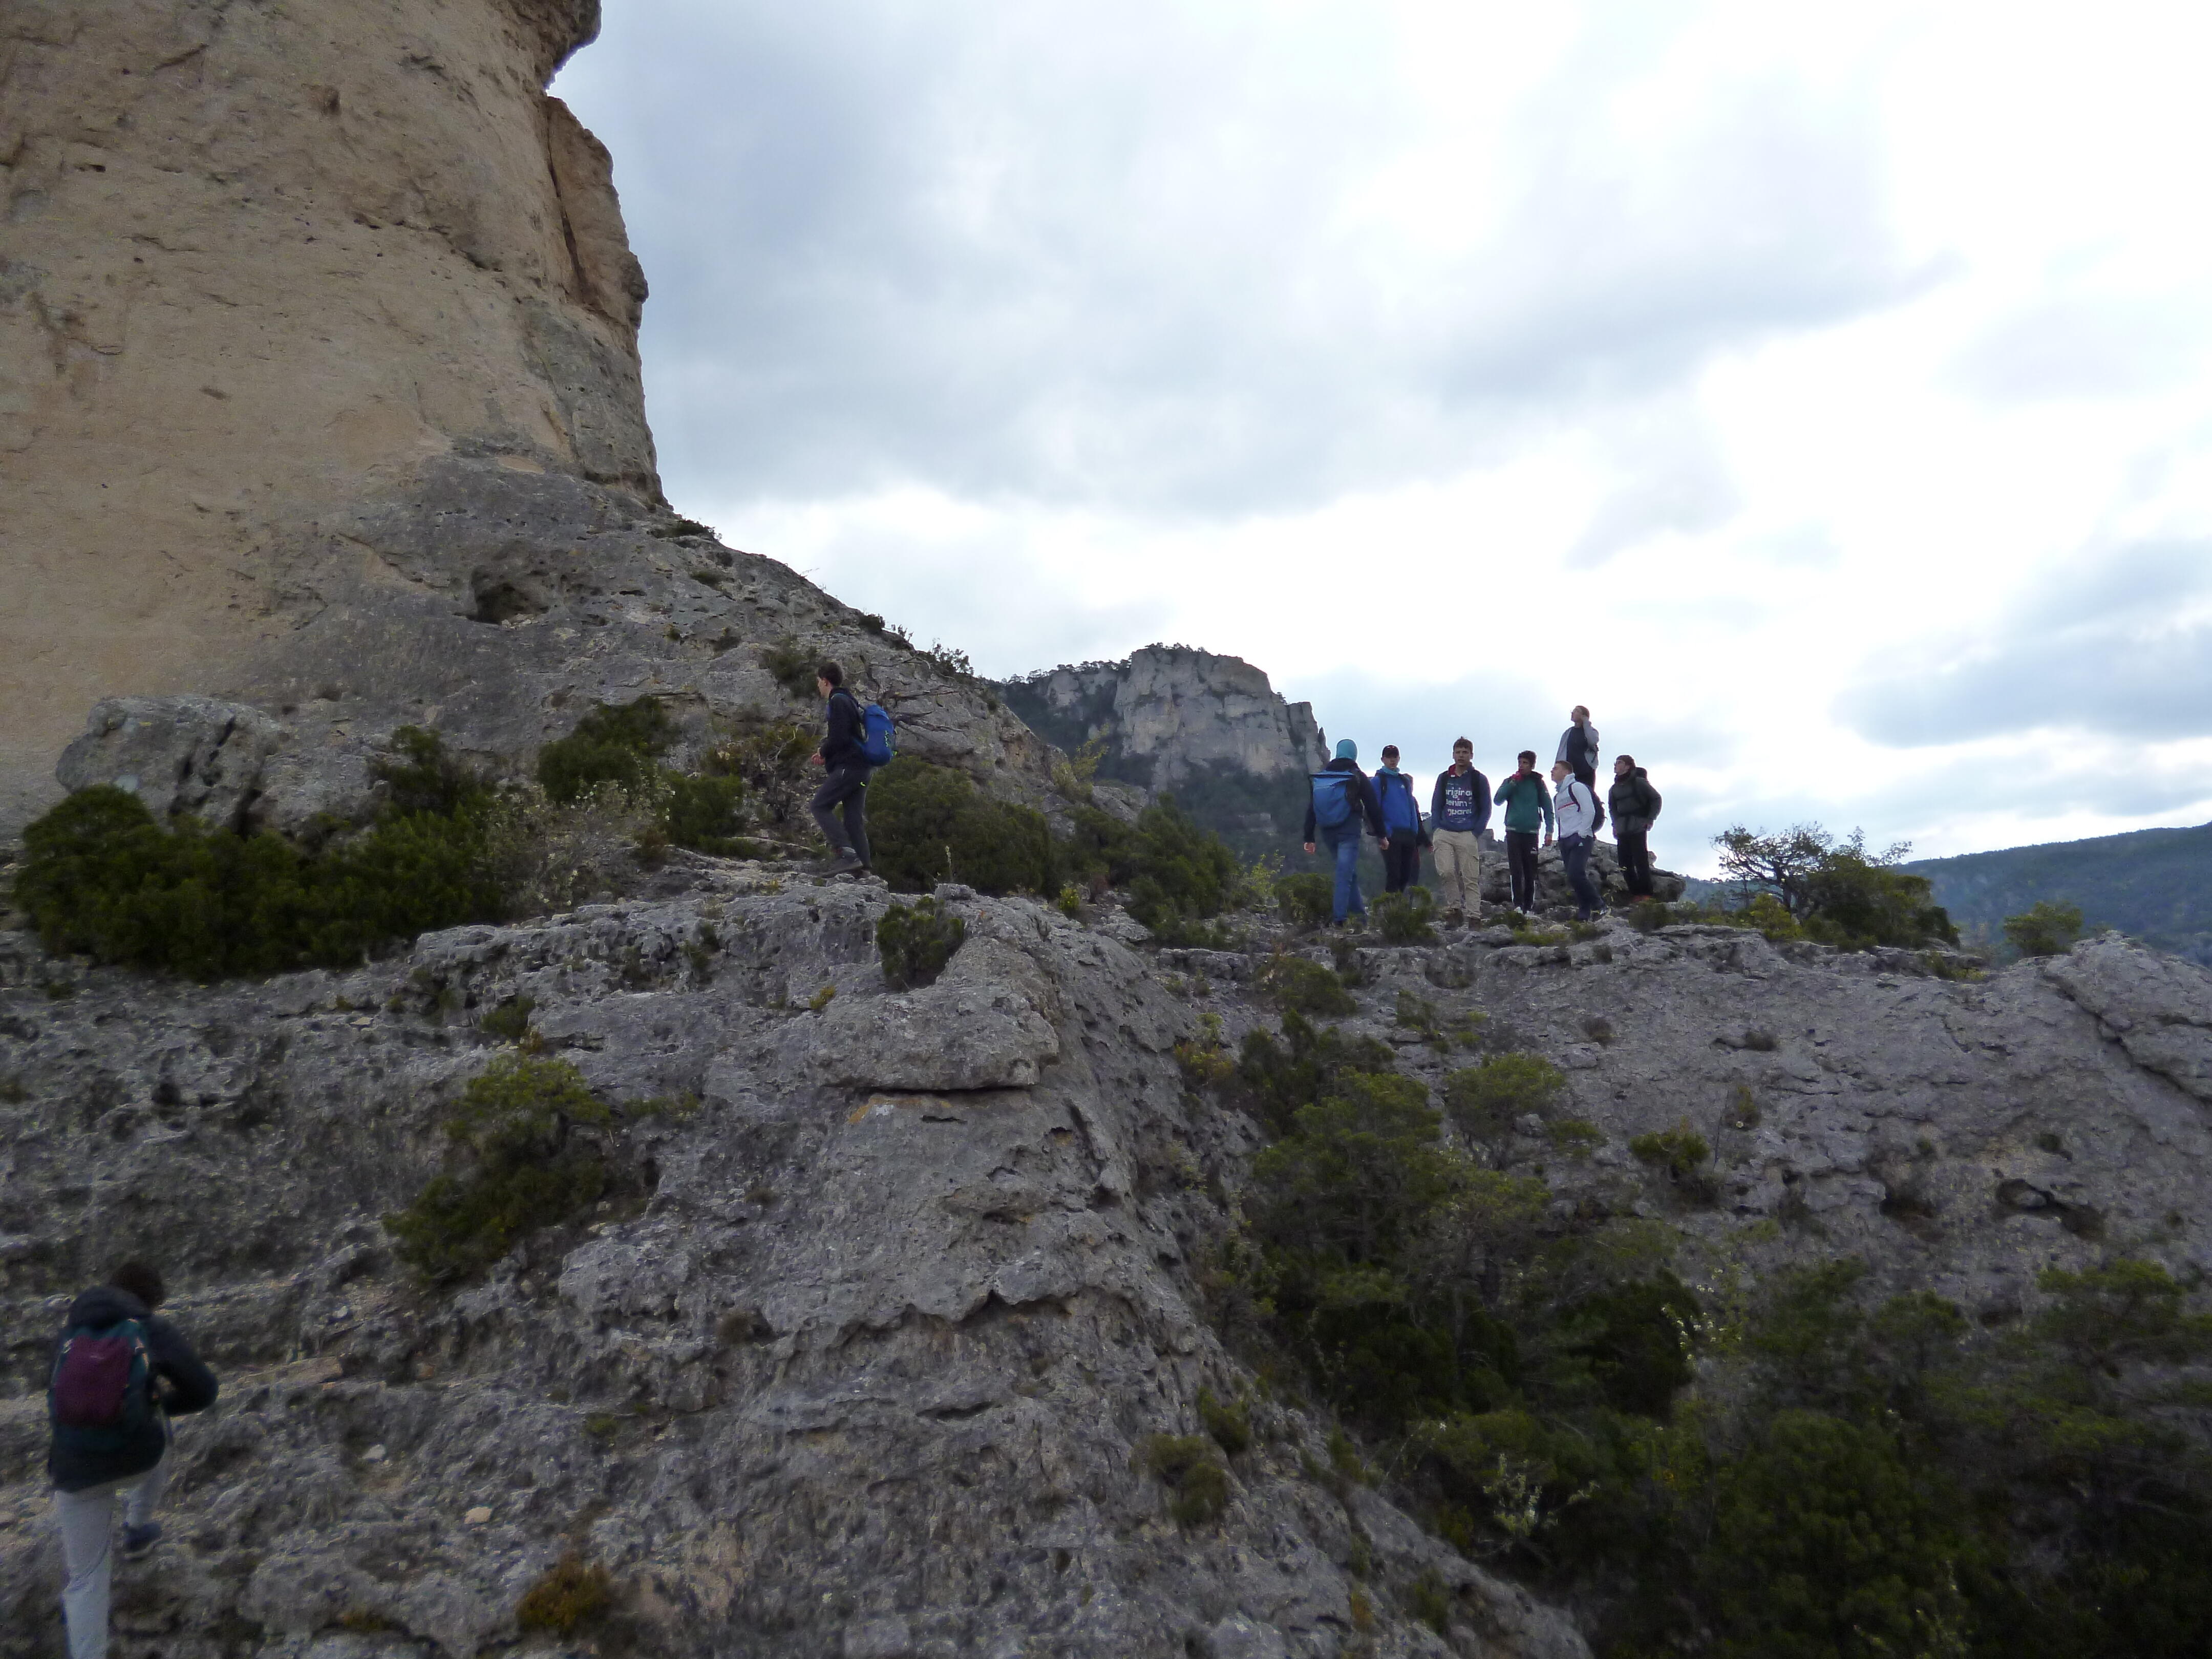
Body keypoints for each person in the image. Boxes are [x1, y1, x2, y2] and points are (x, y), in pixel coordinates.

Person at [49, 1261, 218, 1659]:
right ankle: (138, 1528)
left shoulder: (68, 1333)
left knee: (86, 1577)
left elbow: (56, 1398)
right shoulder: (150, 1327)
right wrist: (152, 1407)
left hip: (75, 1469)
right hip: (137, 1459)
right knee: (157, 1424)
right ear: (151, 1300)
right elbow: (204, 1390)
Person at [1302, 738, 1388, 926]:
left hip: (1327, 831)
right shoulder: (1356, 776)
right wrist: (1381, 835)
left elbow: (1312, 807)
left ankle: (1360, 916)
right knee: (1344, 873)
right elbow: (1373, 807)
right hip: (1348, 830)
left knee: (1348, 871)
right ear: (1354, 754)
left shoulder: (1323, 777)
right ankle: (1340, 919)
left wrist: (1309, 837)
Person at [806, 661, 871, 876]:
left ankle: (847, 855)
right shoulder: (849, 700)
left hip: (849, 768)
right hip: (861, 770)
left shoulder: (837, 701)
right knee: (853, 820)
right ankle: (863, 869)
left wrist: (824, 751)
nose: (818, 686)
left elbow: (839, 737)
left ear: (825, 681)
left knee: (819, 806)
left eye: (819, 682)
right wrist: (826, 753)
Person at [1428, 738, 1491, 925]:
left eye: (1465, 752)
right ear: (1453, 755)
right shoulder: (1444, 778)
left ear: (1471, 755)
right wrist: (1436, 828)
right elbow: (1436, 804)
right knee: (1446, 872)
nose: (1461, 756)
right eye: (1458, 752)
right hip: (1444, 832)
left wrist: (1476, 832)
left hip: (1467, 833)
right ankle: (1454, 910)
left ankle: (1474, 916)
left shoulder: (1478, 779)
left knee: (1470, 876)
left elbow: (1486, 808)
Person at [1492, 750, 1554, 913]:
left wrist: (1550, 831)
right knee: (1516, 870)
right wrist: (1513, 784)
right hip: (1513, 831)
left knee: (1530, 871)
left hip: (1532, 832)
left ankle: (1529, 906)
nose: (1521, 766)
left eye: (1525, 763)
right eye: (1520, 762)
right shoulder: (1510, 781)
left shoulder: (1538, 783)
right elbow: (1497, 800)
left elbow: (1548, 807)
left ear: (1532, 765)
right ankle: (1518, 906)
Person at [1550, 759, 1603, 921]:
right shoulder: (1557, 796)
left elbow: (1589, 811)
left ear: (1566, 772)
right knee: (1573, 877)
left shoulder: (1577, 787)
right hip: (1565, 840)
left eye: (1556, 768)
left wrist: (1583, 833)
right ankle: (1584, 913)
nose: (1552, 771)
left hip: (1580, 837)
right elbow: (1559, 819)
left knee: (1576, 874)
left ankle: (1600, 905)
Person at [1372, 745, 1426, 895]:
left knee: (1405, 875)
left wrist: (1414, 831)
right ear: (1383, 759)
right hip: (1390, 834)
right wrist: (1384, 832)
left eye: (1395, 757)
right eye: (1389, 757)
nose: (1392, 760)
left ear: (1399, 758)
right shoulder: (1378, 781)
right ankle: (1389, 905)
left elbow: (1411, 807)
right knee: (1393, 874)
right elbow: (1374, 809)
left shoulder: (1405, 781)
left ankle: (1399, 905)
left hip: (1408, 834)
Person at [1608, 754, 1663, 902]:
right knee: (1624, 862)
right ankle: (1635, 893)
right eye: (1616, 763)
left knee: (1640, 860)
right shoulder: (1614, 789)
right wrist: (1615, 825)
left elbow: (1656, 798)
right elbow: (1613, 809)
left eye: (1619, 763)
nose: (1616, 765)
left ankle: (1646, 894)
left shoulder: (1639, 783)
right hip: (1622, 828)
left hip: (1638, 825)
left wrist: (1650, 819)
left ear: (1628, 766)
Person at [1555, 706, 1600, 792]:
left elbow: (1592, 741)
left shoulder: (1592, 731)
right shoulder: (1568, 733)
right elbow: (1561, 751)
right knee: (1569, 795)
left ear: (1584, 716)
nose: (1573, 713)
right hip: (1569, 773)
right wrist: (1558, 767)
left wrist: (1586, 723)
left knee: (1587, 794)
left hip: (1586, 771)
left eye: (1577, 711)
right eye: (1573, 711)